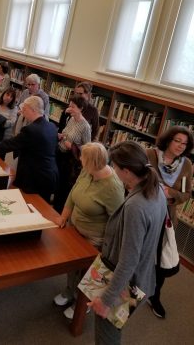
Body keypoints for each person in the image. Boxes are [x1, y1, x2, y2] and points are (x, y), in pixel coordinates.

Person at [88, 141, 166, 345]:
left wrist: (106, 301)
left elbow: (129, 259)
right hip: (143, 276)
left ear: (127, 171)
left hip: (126, 283)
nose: (112, 170)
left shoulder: (136, 206)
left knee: (107, 334)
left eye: (114, 166)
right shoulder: (156, 190)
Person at [53, 142, 125, 319]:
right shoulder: (88, 170)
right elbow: (73, 193)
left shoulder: (113, 187)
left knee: (86, 272)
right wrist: (64, 216)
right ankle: (70, 291)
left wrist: (105, 250)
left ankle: (81, 303)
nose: (79, 159)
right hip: (74, 229)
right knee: (72, 266)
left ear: (93, 162)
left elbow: (116, 222)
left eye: (83, 158)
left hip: (94, 238)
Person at [146, 125, 194, 318]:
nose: (181, 146)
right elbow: (134, 179)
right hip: (145, 212)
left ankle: (154, 295)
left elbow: (186, 194)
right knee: (136, 251)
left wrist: (170, 193)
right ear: (168, 139)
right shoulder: (150, 155)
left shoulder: (186, 165)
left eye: (185, 143)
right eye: (177, 141)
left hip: (166, 217)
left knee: (160, 260)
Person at [0, 96, 59, 202]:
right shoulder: (51, 126)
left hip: (35, 178)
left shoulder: (31, 130)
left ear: (32, 110)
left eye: (24, 109)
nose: (21, 111)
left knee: (34, 205)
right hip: (49, 176)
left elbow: (9, 144)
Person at [53, 94, 91, 213]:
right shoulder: (71, 119)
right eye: (69, 106)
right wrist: (61, 136)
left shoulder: (85, 126)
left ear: (81, 108)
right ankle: (54, 207)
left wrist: (73, 146)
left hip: (70, 161)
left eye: (73, 107)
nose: (69, 109)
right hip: (60, 154)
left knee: (64, 187)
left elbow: (87, 148)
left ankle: (60, 211)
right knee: (57, 182)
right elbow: (65, 133)